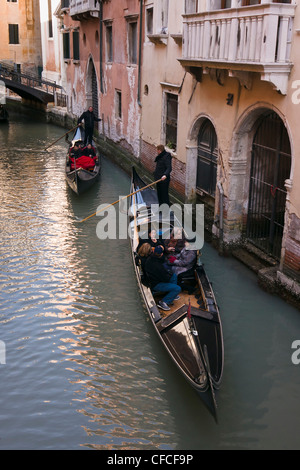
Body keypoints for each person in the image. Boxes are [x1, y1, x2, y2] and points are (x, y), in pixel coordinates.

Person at [145, 245, 181, 311]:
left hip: (154, 279)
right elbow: (164, 278)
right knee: (177, 288)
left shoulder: (150, 258)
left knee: (174, 276)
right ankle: (164, 302)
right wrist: (168, 274)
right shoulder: (158, 266)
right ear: (161, 254)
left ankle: (172, 295)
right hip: (155, 284)